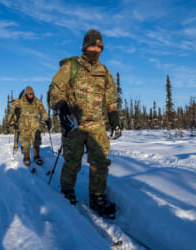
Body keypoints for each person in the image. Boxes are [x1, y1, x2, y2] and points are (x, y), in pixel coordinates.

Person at [48, 29, 121, 219]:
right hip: (75, 124)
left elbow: (111, 98)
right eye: (92, 45)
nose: (95, 49)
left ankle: (97, 196)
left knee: (100, 162)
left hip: (97, 124)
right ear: (85, 46)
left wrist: (115, 120)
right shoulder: (71, 67)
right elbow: (55, 91)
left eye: (99, 46)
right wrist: (63, 109)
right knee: (72, 161)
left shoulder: (104, 72)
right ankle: (67, 191)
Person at [10, 86, 51, 166]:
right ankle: (26, 157)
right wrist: (15, 111)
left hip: (34, 125)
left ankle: (36, 156)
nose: (31, 95)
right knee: (25, 142)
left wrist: (47, 119)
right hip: (23, 125)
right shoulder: (20, 101)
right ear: (26, 94)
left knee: (36, 141)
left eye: (32, 94)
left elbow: (43, 111)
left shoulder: (37, 102)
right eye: (29, 94)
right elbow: (13, 109)